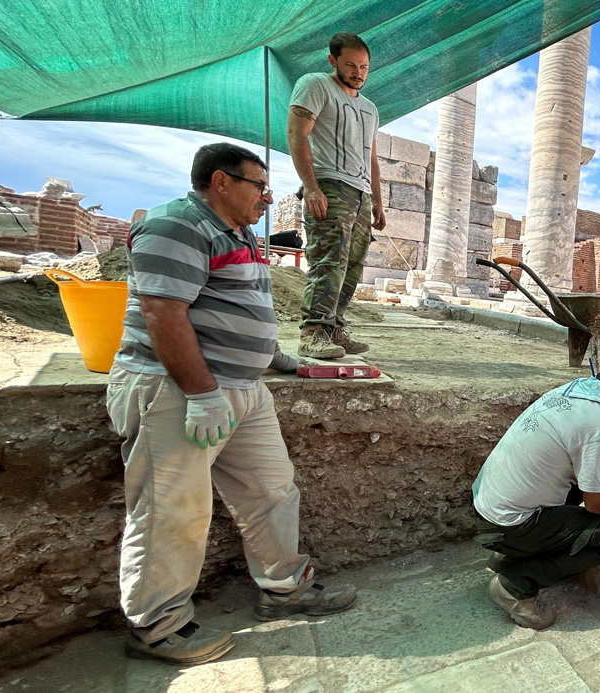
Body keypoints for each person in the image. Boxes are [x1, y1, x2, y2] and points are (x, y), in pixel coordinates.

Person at [108, 143, 358, 665]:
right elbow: (163, 314)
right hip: (178, 391)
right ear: (221, 182)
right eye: (259, 186)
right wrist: (201, 394)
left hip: (243, 391)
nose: (267, 197)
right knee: (171, 509)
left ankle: (284, 588)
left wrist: (283, 361)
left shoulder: (239, 234)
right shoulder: (177, 225)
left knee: (271, 489)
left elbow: (242, 308)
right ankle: (157, 627)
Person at [471, 349, 600, 629]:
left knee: (577, 484)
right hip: (507, 523)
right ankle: (515, 585)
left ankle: (507, 556)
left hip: (484, 508)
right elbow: (596, 504)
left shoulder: (572, 390)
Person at [288, 31, 386, 360]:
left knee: (354, 265)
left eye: (364, 67)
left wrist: (377, 200)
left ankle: (333, 328)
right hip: (329, 185)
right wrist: (311, 186)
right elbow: (296, 132)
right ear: (332, 61)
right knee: (329, 260)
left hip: (360, 194)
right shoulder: (315, 85)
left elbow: (370, 157)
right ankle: (312, 332)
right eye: (350, 65)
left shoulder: (370, 109)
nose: (358, 72)